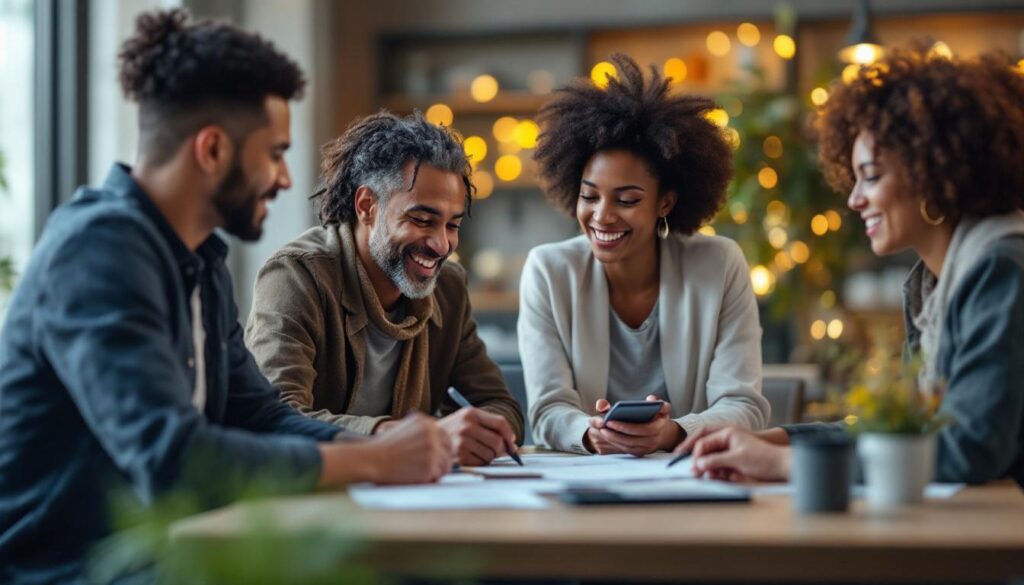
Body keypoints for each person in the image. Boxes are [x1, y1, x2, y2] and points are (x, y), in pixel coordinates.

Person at [0, 10, 452, 583]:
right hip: (68, 570)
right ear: (212, 149)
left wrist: (386, 442)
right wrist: (372, 459)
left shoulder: (201, 261)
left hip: (168, 553)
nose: (286, 178)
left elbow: (257, 414)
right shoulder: (97, 251)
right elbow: (171, 458)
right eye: (275, 153)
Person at [680, 43, 1024, 488]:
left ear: (935, 170)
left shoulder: (1000, 267)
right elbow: (901, 430)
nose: (854, 199)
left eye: (873, 176)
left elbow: (970, 450)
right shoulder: (935, 282)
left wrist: (784, 467)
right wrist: (769, 440)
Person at [518, 53, 770, 455]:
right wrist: (590, 432)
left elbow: (744, 406)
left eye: (627, 199)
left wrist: (674, 432)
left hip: (692, 477)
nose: (602, 216)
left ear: (665, 203)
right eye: (589, 196)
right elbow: (548, 410)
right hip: (587, 482)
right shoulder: (549, 271)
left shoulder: (719, 265)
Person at [244, 111, 524, 466]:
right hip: (321, 496)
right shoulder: (297, 276)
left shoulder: (448, 288)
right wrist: (398, 439)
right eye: (421, 220)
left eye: (452, 225)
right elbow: (276, 417)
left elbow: (501, 406)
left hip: (413, 499)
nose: (441, 245)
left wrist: (482, 432)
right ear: (367, 207)